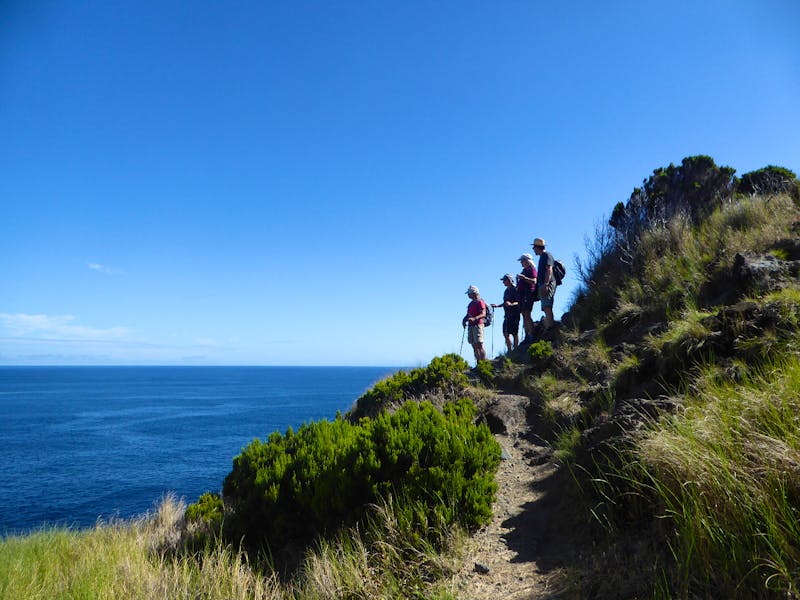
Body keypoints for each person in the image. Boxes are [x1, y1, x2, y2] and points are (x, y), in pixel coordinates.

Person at [492, 274, 520, 353]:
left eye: (504, 280)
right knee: (505, 333)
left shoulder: (515, 289)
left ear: (509, 280)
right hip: (507, 315)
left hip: (515, 314)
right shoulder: (506, 291)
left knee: (514, 332)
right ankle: (510, 350)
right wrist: (498, 306)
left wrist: (511, 304)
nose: (503, 282)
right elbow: (505, 303)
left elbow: (519, 301)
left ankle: (516, 349)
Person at [532, 237, 556, 329]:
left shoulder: (546, 255)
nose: (533, 250)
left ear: (537, 247)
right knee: (546, 306)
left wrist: (546, 284)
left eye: (534, 247)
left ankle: (551, 327)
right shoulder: (543, 256)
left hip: (547, 284)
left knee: (547, 306)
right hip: (543, 284)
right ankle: (549, 326)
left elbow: (549, 269)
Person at [462, 285, 487, 363]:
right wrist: (464, 320)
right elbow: (468, 314)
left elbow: (484, 314)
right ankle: (479, 362)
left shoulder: (480, 302)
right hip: (471, 326)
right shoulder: (471, 304)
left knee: (479, 344)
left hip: (478, 325)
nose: (468, 295)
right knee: (474, 345)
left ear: (474, 293)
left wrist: (475, 318)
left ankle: (484, 363)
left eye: (469, 293)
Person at [516, 253, 537, 342]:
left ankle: (532, 334)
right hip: (522, 295)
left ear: (527, 261)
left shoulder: (532, 270)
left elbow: (534, 281)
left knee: (527, 314)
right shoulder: (524, 271)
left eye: (522, 261)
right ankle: (527, 335)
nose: (521, 263)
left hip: (528, 294)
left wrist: (523, 278)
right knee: (524, 315)